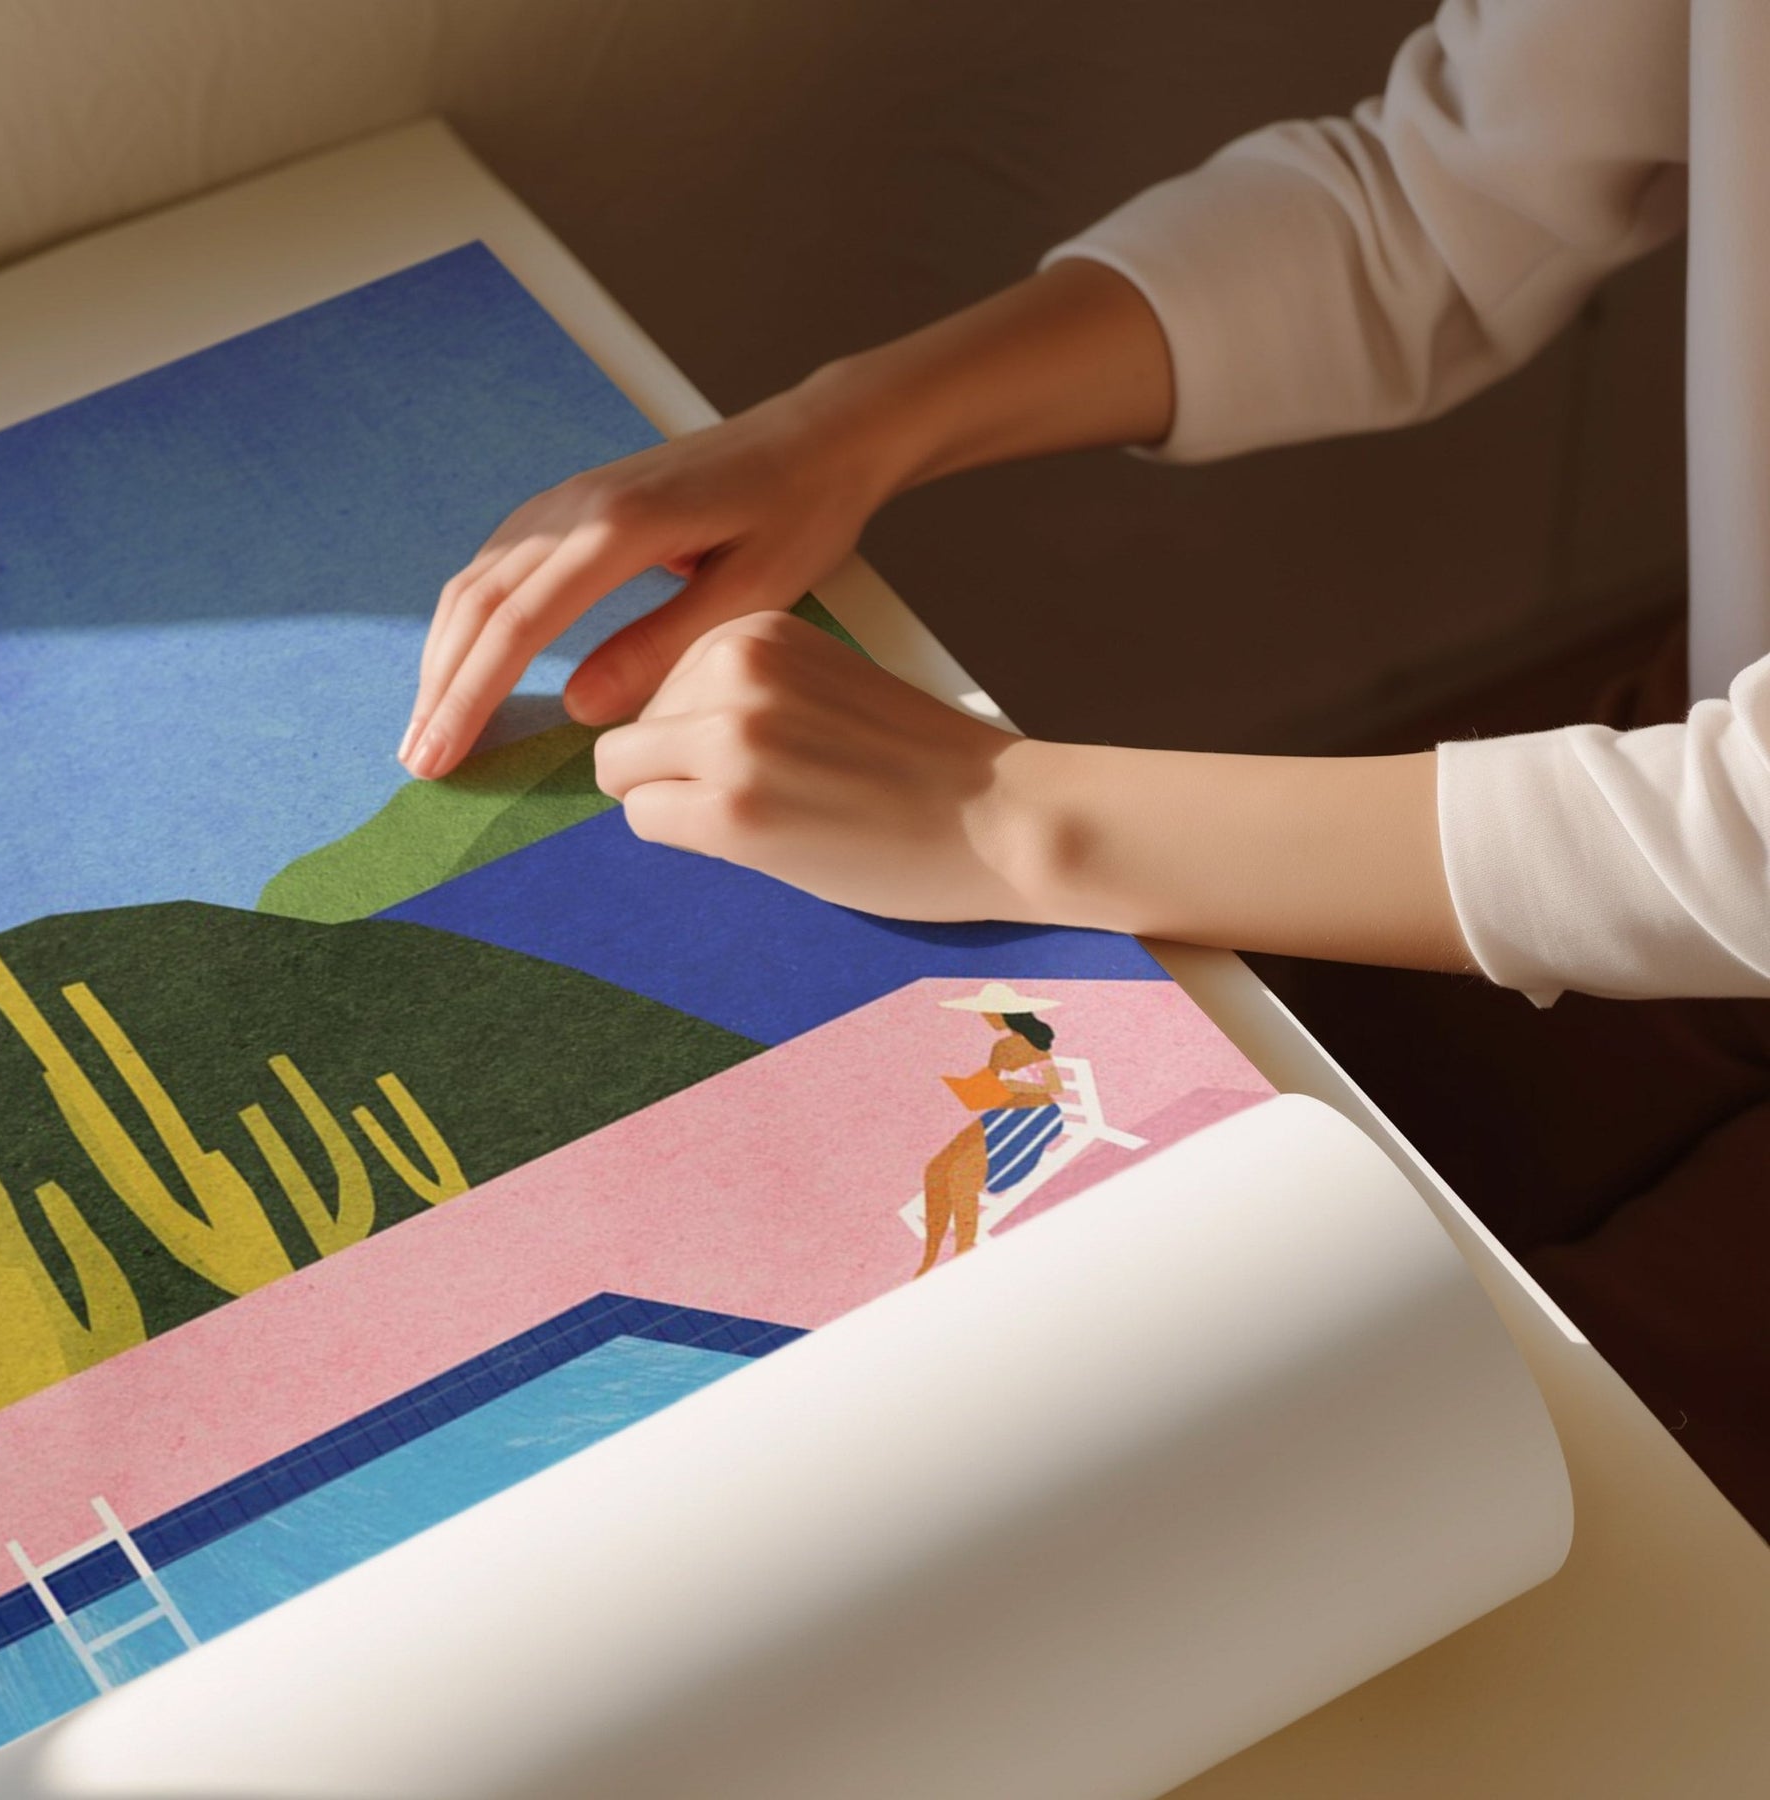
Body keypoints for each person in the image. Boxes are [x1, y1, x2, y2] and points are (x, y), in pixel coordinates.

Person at [399, 0, 1770, 1526]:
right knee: (1234, 1245)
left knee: (1426, 1502)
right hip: (1685, 772)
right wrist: (842, 431)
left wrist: (1002, 809)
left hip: (1712, 831)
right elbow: (1457, 199)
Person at [918, 983, 1066, 1278]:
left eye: (989, 1013)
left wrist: (1012, 1085)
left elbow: (1053, 1085)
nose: (986, 1018)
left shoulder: (1029, 1044)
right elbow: (994, 1084)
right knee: (936, 1170)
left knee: (961, 1176)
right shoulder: (1001, 1047)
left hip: (1034, 1115)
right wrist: (975, 1090)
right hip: (1004, 1111)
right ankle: (931, 1252)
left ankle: (964, 1249)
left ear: (1004, 1014)